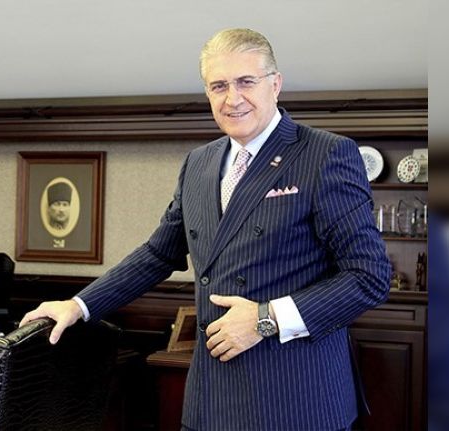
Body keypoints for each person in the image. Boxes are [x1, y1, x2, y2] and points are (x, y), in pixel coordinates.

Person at [21, 28, 391, 431]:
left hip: (296, 400)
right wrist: (78, 305)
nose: (233, 98)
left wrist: (265, 318)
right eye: (219, 86)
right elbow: (158, 254)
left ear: (275, 84)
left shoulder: (326, 153)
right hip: (210, 400)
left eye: (246, 81)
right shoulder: (198, 163)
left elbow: (369, 276)